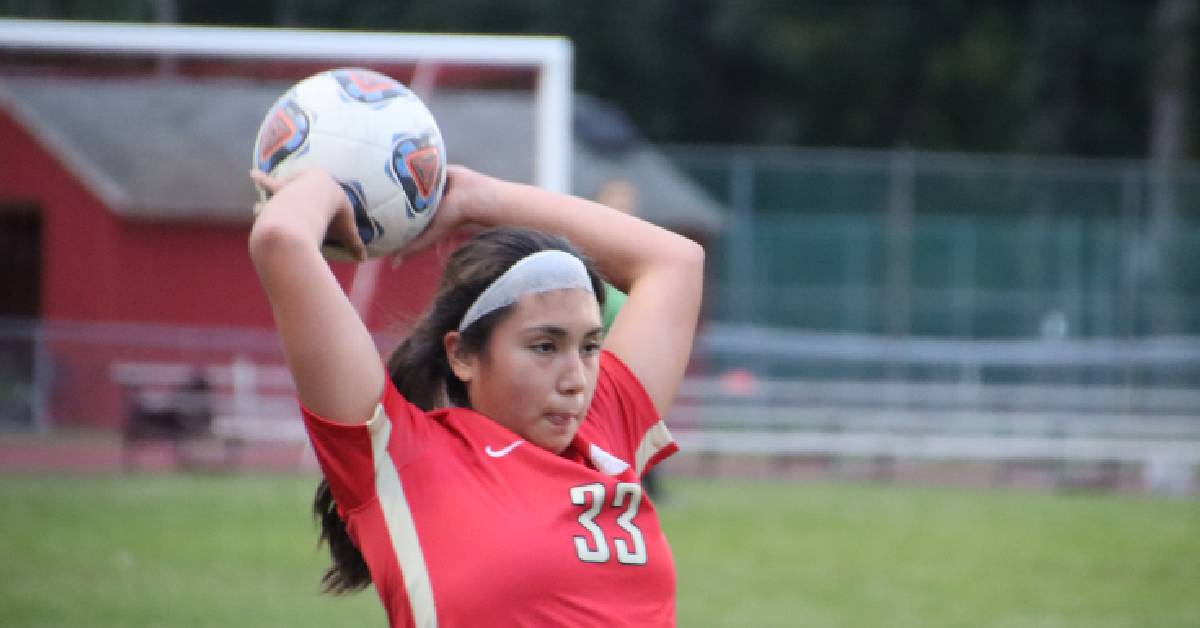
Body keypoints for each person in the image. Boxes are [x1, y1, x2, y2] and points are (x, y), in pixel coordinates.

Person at [247, 164, 704, 627]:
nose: (576, 378)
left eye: (589, 347)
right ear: (462, 355)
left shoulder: (603, 431)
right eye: (544, 346)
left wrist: (477, 198)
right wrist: (330, 181)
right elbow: (281, 238)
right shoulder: (400, 456)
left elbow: (676, 261)